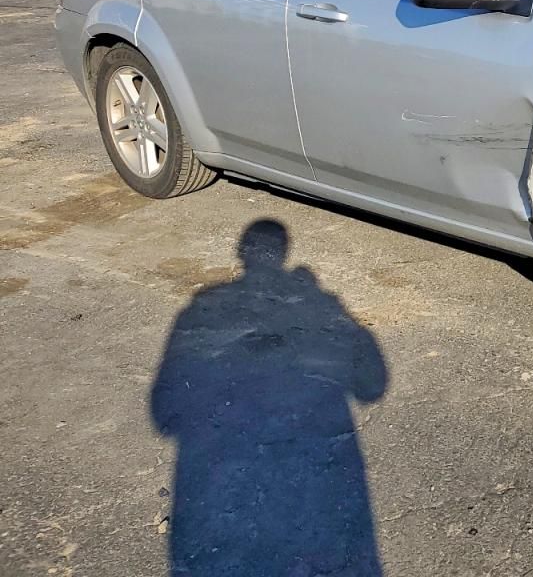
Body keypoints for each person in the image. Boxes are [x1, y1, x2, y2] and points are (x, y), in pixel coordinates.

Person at [150, 219, 388, 576]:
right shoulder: (320, 306)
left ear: (241, 255)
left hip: (226, 500)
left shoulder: (199, 310)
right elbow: (373, 385)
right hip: (315, 495)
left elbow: (162, 415)